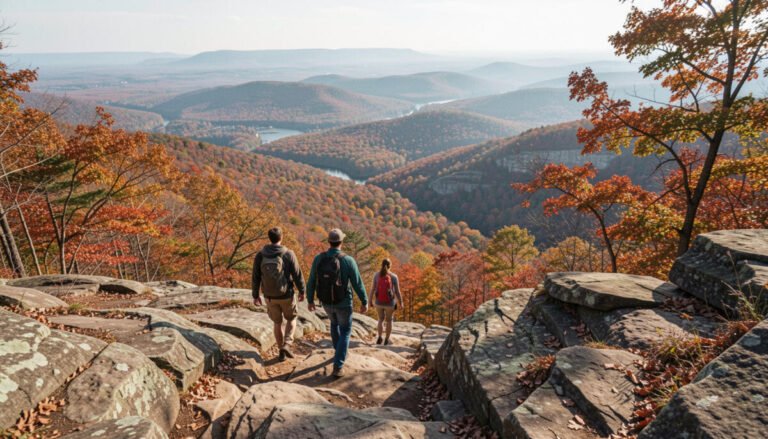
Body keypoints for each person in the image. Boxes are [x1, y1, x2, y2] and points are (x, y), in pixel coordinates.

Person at [307, 228, 368, 378]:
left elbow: (312, 281)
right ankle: (338, 364)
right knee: (346, 330)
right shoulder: (348, 260)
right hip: (344, 302)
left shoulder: (319, 259)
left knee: (334, 325)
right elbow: (357, 283)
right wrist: (364, 301)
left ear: (329, 242)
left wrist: (310, 300)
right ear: (342, 242)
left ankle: (338, 351)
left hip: (326, 302)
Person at [252, 227, 305, 362]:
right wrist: (302, 291)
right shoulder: (288, 254)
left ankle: (281, 351)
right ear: (281, 237)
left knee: (277, 323)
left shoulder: (260, 255)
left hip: (269, 296)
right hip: (286, 295)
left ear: (269, 238)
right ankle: (287, 344)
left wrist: (255, 295)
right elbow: (297, 275)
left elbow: (256, 276)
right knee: (292, 319)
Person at [369, 258, 403, 345]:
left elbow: (372, 289)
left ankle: (379, 337)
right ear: (390, 266)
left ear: (381, 265)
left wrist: (370, 301)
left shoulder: (376, 275)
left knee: (380, 319)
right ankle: (387, 339)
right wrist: (401, 302)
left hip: (378, 302)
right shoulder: (394, 276)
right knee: (389, 320)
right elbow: (397, 292)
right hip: (390, 303)